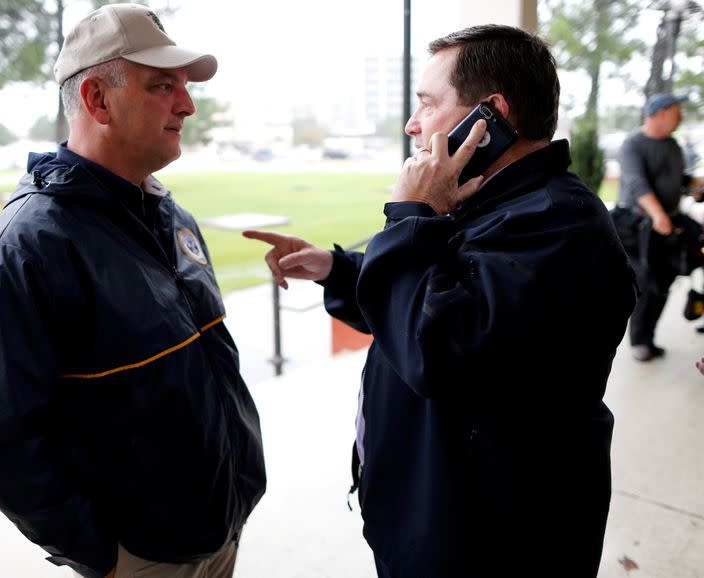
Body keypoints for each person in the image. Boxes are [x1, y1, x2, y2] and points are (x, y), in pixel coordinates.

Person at [244, 24, 636, 578]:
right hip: (439, 517)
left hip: (490, 542)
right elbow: (435, 298)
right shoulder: (495, 203)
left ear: (491, 115)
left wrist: (412, 214)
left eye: (427, 104)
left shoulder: (554, 224)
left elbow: (436, 347)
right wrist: (338, 270)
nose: (411, 125)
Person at [0, 4, 265, 578]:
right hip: (143, 558)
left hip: (219, 527)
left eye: (184, 87)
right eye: (163, 86)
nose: (188, 105)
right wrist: (104, 558)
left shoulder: (173, 218)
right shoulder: (21, 250)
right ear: (97, 99)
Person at [617, 92, 704, 360]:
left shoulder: (673, 145)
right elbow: (636, 183)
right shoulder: (633, 144)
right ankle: (640, 341)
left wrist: (694, 186)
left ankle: (654, 333)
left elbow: (678, 178)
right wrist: (657, 214)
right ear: (661, 113)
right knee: (646, 281)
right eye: (677, 111)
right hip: (640, 225)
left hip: (671, 222)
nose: (680, 117)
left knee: (666, 280)